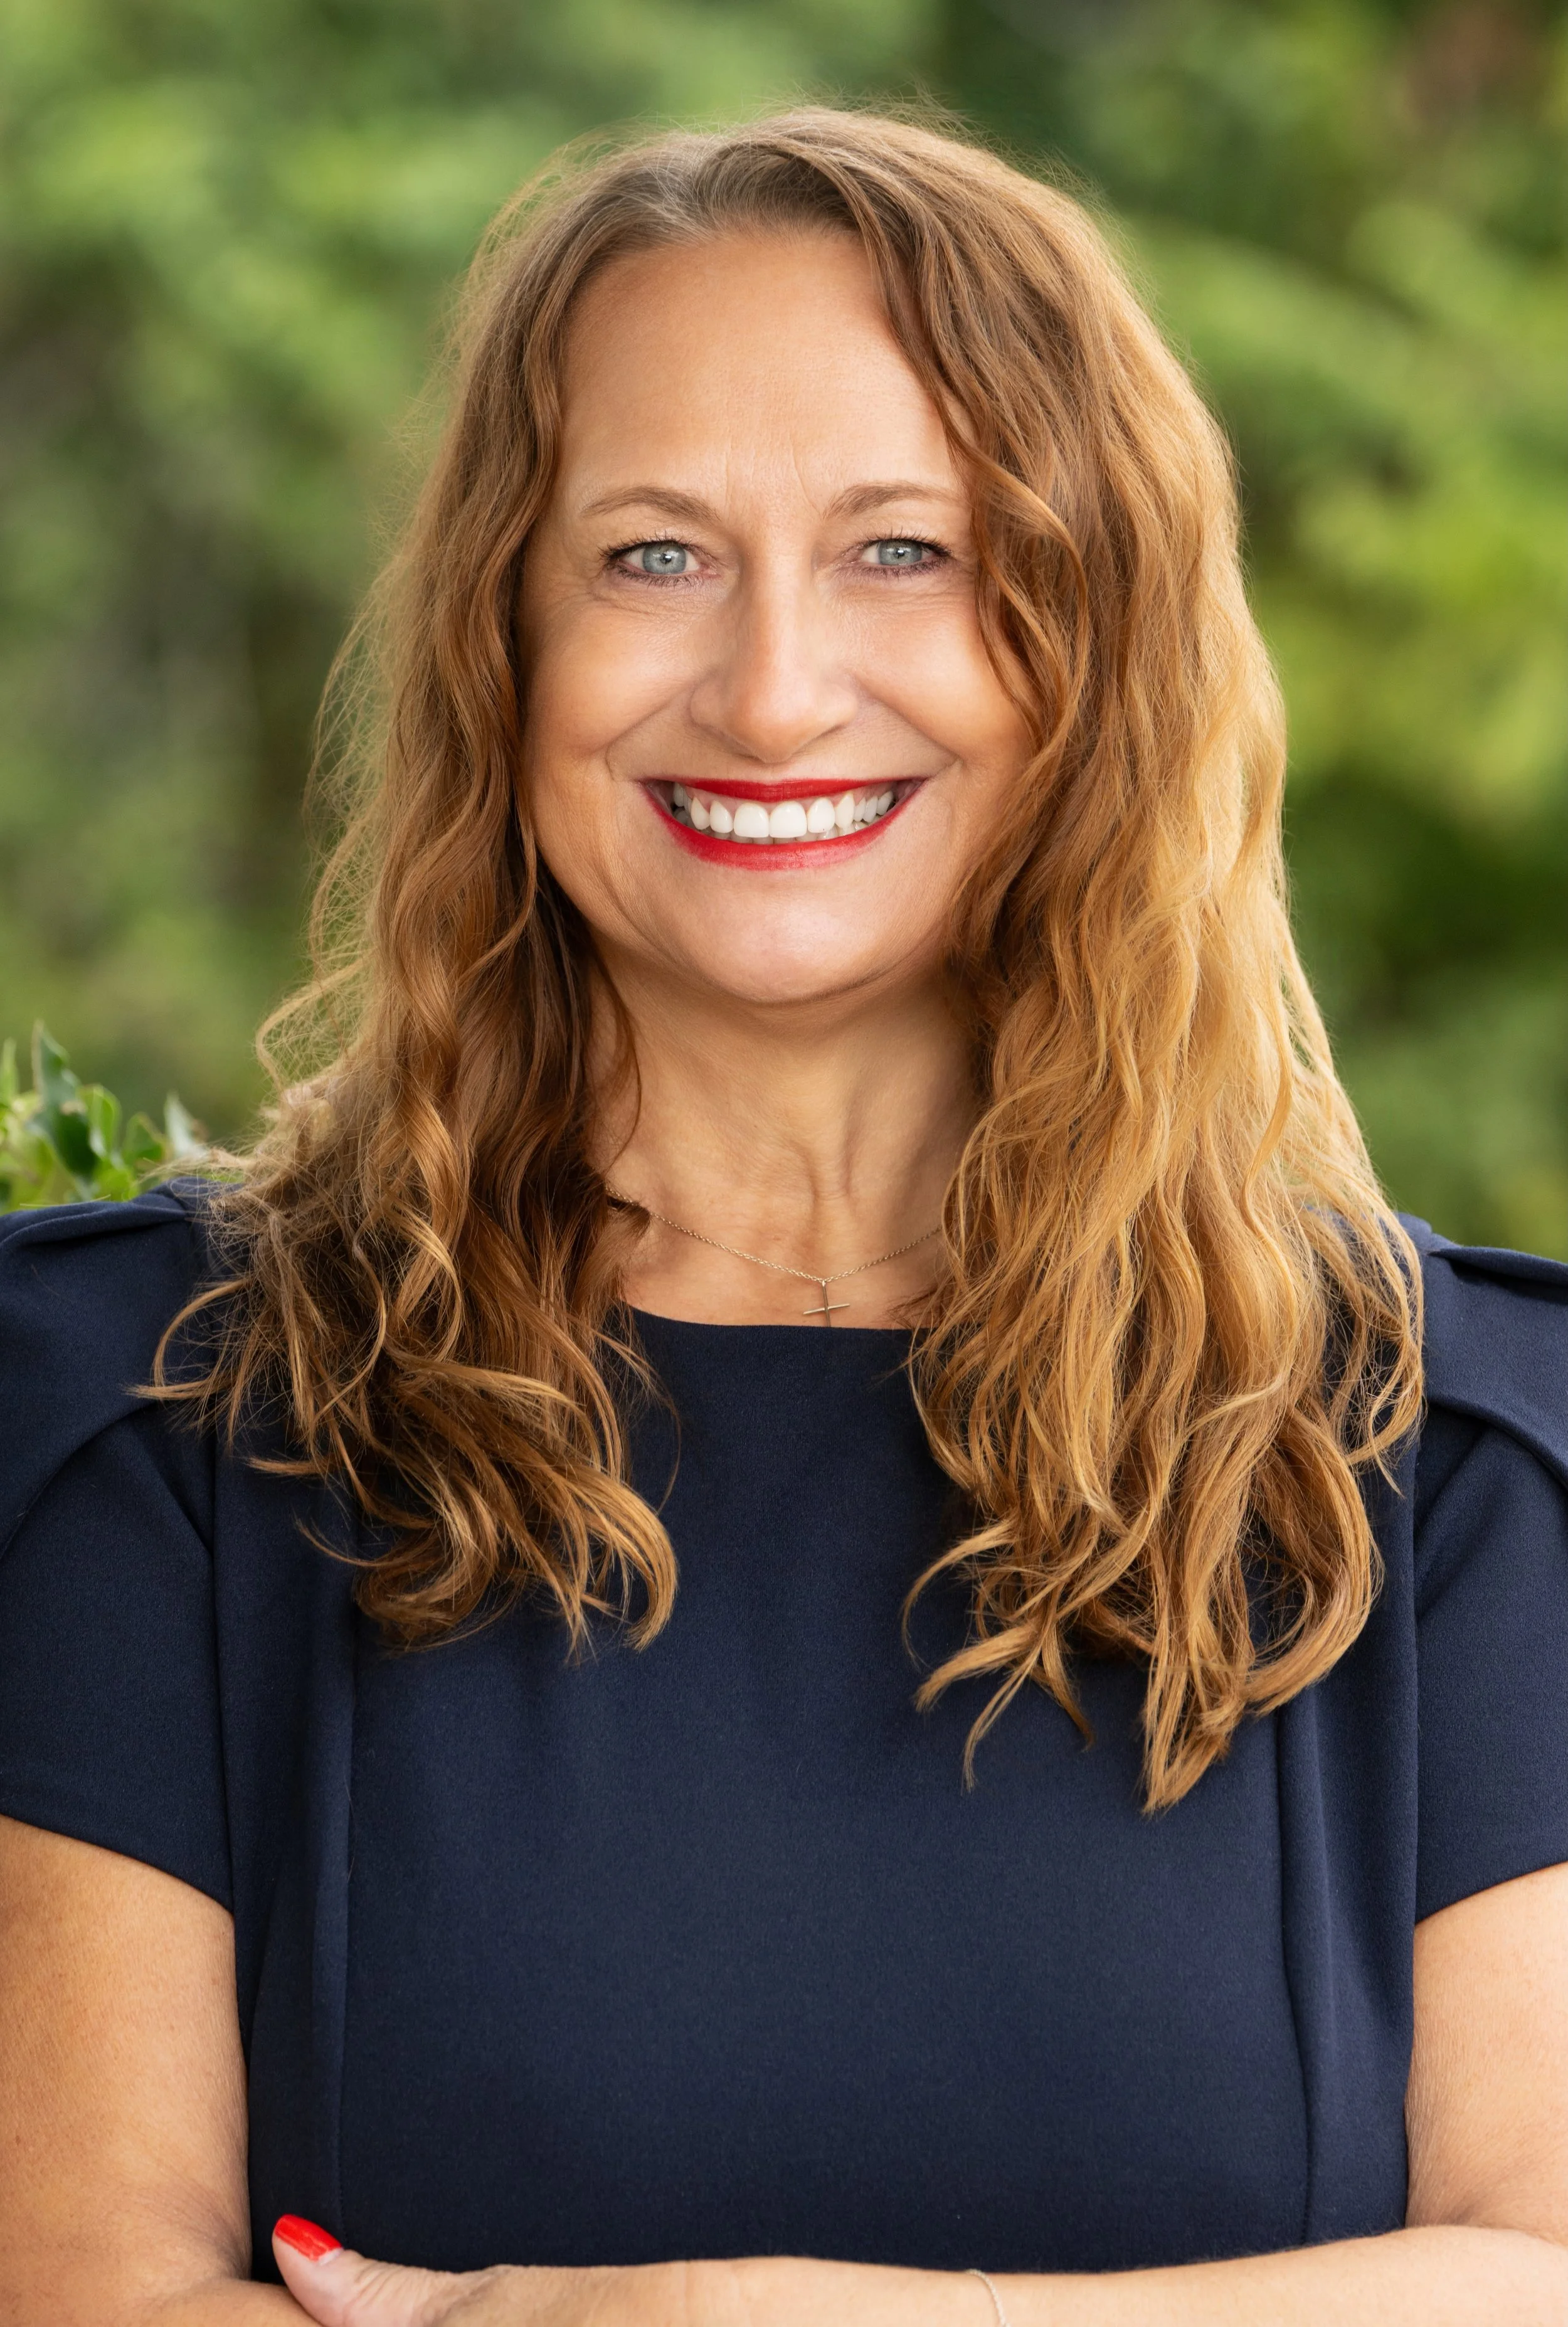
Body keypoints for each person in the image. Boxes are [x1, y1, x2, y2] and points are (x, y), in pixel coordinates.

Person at [1, 109, 1565, 2327]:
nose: (765, 688)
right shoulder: (142, 1416)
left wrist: (727, 2322)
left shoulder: (1457, 1462)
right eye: (650, 556)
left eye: (903, 549)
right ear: (498, 643)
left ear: (1095, 643)